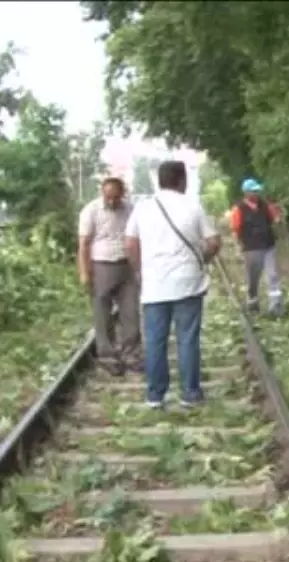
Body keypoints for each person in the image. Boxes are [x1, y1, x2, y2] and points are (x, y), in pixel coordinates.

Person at [124, 161, 222, 410]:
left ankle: (155, 396)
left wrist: (139, 270)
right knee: (187, 339)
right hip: (188, 283)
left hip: (155, 284)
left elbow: (130, 245)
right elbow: (213, 242)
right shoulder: (193, 206)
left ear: (160, 180)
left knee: (155, 340)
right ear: (181, 180)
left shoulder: (143, 208)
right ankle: (189, 393)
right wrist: (202, 259)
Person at [77, 177, 139, 376]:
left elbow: (138, 237)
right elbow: (84, 244)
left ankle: (131, 354)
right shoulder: (91, 211)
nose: (112, 201)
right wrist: (84, 272)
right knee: (102, 313)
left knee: (130, 311)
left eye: (116, 197)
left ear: (123, 194)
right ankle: (107, 356)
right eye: (108, 197)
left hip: (126, 265)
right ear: (102, 194)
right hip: (101, 264)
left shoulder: (130, 209)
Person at [228, 178, 284, 315]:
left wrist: (279, 218)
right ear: (246, 193)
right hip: (251, 248)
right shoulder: (239, 209)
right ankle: (253, 305)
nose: (257, 193)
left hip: (268, 245)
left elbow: (274, 219)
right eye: (254, 191)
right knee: (253, 278)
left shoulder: (265, 206)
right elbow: (235, 230)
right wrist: (238, 247)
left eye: (258, 191)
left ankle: (275, 307)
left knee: (273, 275)